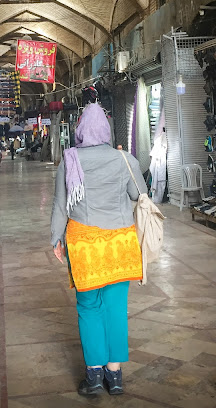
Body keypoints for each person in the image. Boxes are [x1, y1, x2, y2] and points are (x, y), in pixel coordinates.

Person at [51, 103, 147, 396]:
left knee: (89, 309)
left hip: (84, 246)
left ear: (80, 129)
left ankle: (94, 377)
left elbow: (59, 206)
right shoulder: (124, 158)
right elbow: (139, 194)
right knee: (116, 309)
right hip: (120, 244)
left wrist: (57, 240)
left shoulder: (69, 161)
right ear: (106, 130)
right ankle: (115, 376)